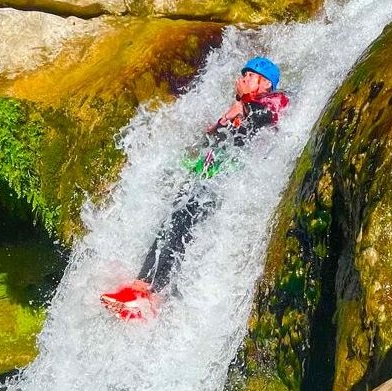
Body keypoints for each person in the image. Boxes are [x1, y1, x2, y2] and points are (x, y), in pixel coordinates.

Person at [100, 57, 289, 320]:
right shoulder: (240, 106)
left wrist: (242, 107)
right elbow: (212, 143)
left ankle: (152, 297)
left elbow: (269, 115)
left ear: (265, 83)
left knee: (179, 229)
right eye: (243, 75)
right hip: (204, 180)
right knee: (169, 226)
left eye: (250, 76)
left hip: (221, 186)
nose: (243, 79)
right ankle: (141, 289)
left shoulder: (273, 99)